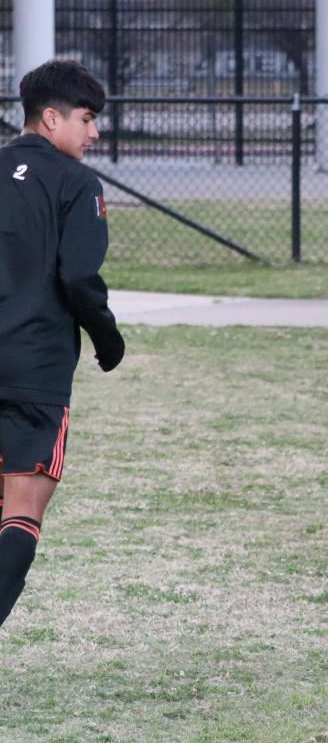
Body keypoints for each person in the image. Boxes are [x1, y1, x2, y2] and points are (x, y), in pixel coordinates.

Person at [0, 59, 124, 629]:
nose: (94, 133)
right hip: (36, 370)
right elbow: (78, 277)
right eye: (88, 118)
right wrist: (108, 338)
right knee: (20, 515)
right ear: (51, 118)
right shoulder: (77, 183)